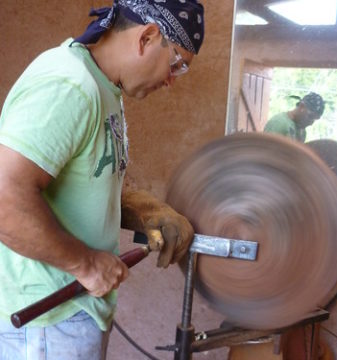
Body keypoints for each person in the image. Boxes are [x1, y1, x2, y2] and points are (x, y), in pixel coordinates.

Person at [0, 1, 204, 359]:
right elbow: (5, 198)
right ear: (147, 36)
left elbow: (83, 179)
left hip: (70, 314)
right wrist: (86, 264)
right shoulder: (68, 85)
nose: (173, 79)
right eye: (177, 63)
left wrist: (146, 210)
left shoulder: (102, 87)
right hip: (46, 318)